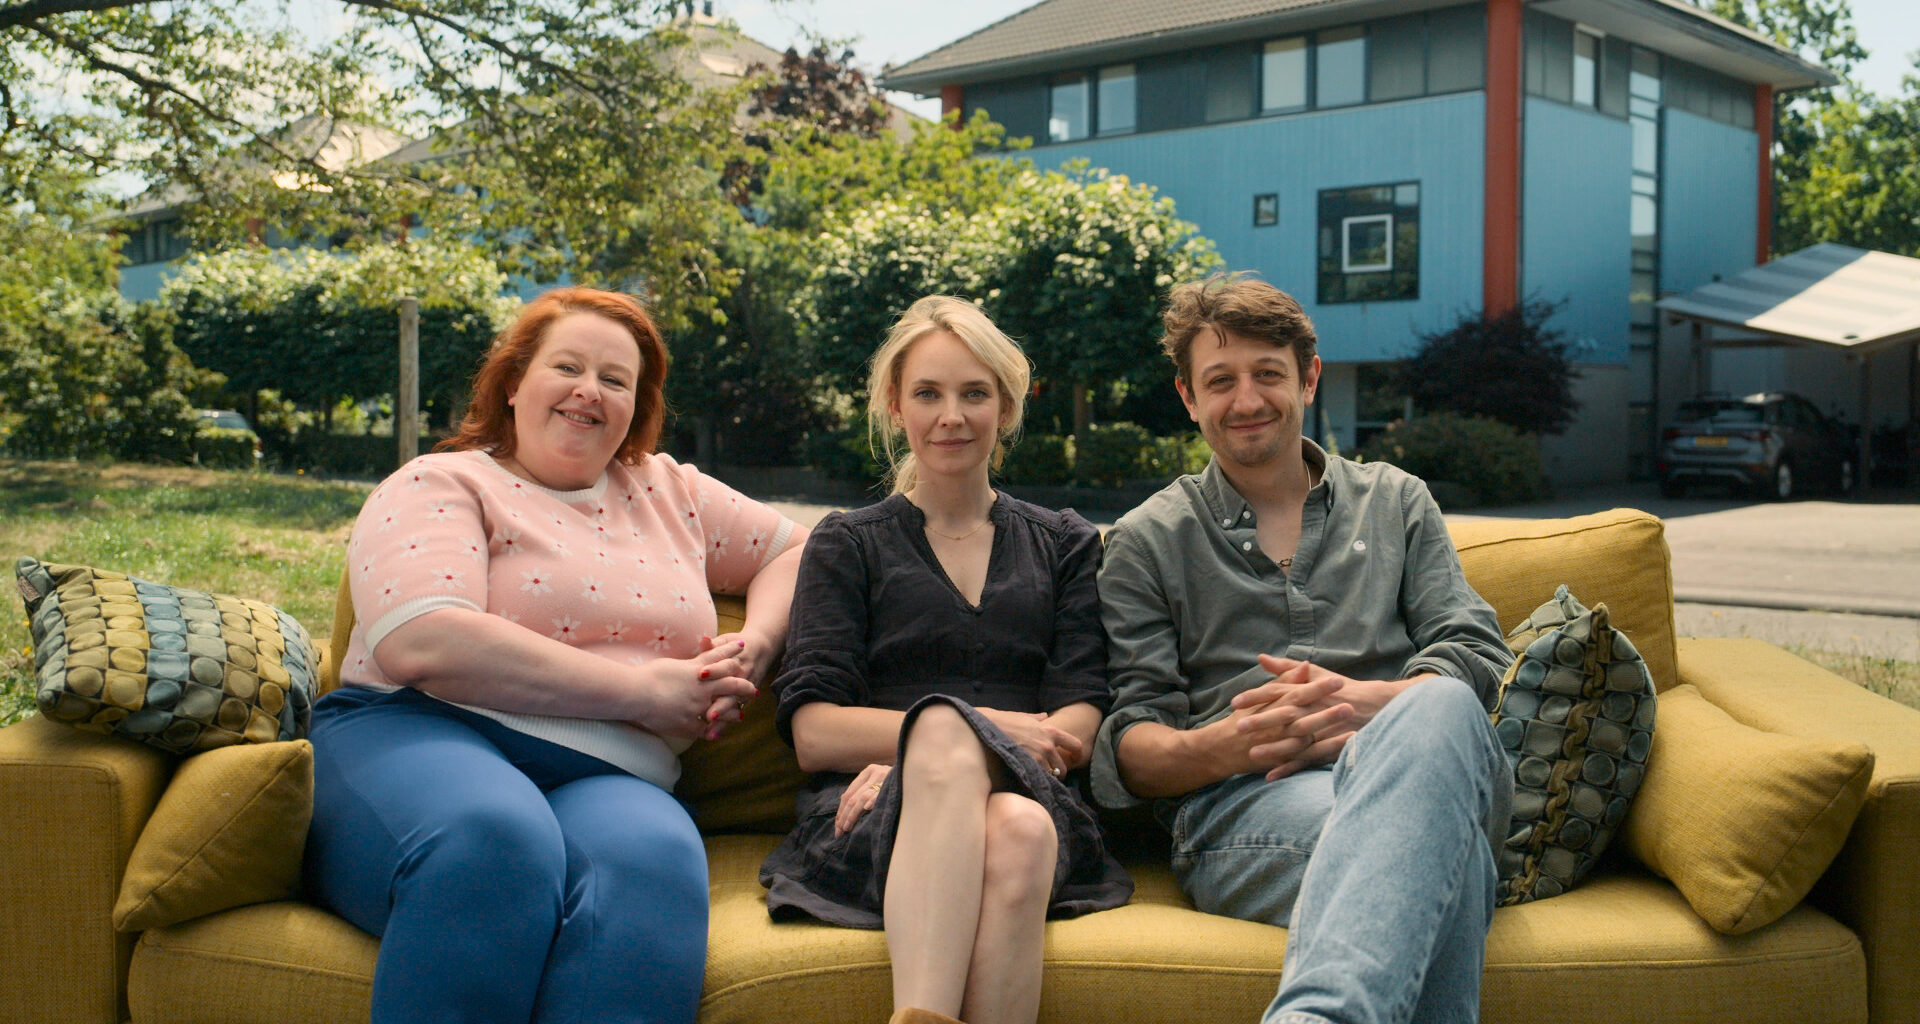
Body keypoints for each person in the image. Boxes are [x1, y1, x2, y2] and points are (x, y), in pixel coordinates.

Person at [304, 287, 809, 1024]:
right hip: (421, 731)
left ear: (637, 407)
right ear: (513, 384)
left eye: (615, 380)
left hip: (617, 772)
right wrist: (643, 695)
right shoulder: (441, 482)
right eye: (566, 366)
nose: (588, 391)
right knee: (494, 843)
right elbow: (423, 637)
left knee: (654, 868)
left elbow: (801, 550)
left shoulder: (671, 492)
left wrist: (754, 647)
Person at [1090, 276, 1515, 1024]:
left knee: (1441, 703)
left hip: (1420, 767)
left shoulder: (1397, 500)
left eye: (1268, 375)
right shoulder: (1146, 541)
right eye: (1220, 381)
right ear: (1189, 398)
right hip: (1246, 814)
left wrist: (1367, 706)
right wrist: (1233, 743)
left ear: (1309, 378)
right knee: (1455, 861)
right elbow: (1130, 744)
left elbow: (1473, 649)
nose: (1246, 399)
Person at [760, 296, 1131, 1024]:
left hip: (1036, 797)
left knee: (1020, 821)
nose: (951, 416)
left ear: (1007, 406)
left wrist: (948, 744)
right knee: (963, 762)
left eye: (974, 394)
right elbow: (814, 734)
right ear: (896, 408)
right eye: (928, 394)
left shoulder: (1064, 542)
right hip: (870, 817)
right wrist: (955, 734)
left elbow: (1078, 719)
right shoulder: (847, 544)